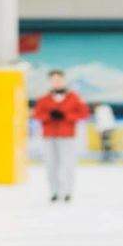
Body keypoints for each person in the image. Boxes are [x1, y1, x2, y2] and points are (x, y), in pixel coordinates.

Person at [33, 70, 90, 202]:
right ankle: (54, 191)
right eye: (54, 80)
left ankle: (67, 191)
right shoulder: (43, 99)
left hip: (67, 135)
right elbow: (37, 114)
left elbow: (83, 114)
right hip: (49, 135)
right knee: (51, 164)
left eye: (59, 79)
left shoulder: (74, 97)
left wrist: (67, 116)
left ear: (64, 80)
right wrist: (49, 116)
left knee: (67, 164)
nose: (57, 82)